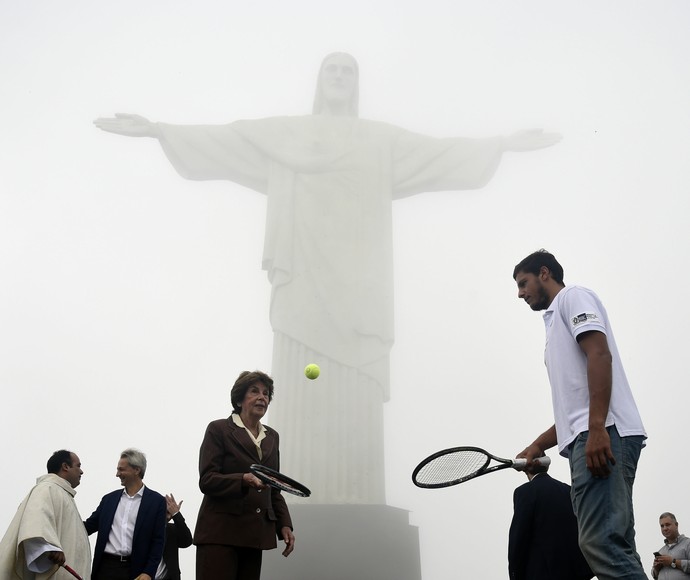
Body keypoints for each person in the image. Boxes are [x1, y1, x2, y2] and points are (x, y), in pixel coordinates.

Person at [94, 52, 561, 504]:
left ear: (356, 83)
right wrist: (159, 131)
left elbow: (437, 153)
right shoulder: (288, 134)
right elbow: (229, 141)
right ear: (320, 80)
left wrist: (499, 144)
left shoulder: (380, 140)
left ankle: (356, 493)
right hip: (303, 277)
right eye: (331, 69)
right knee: (297, 384)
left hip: (360, 286)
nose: (339, 76)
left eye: (348, 70)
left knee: (355, 387)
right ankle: (296, 502)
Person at [513, 249, 647, 580]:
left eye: (523, 283)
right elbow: (574, 407)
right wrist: (537, 444)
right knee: (614, 543)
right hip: (595, 432)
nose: (520, 293)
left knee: (599, 542)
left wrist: (598, 427)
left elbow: (599, 354)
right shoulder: (554, 325)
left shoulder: (573, 297)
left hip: (603, 433)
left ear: (545, 273)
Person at [194, 370, 294, 580]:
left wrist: (284, 524)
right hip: (220, 534)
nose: (262, 397)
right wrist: (242, 479)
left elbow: (274, 487)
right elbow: (207, 480)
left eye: (266, 393)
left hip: (254, 536)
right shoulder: (218, 429)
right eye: (254, 391)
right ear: (239, 399)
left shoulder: (272, 437)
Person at [0, 450, 91, 579]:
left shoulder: (63, 495)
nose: (81, 471)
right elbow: (35, 521)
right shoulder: (47, 488)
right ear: (65, 466)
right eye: (78, 466)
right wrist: (49, 547)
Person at [84, 448, 166, 580]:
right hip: (105, 569)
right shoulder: (108, 500)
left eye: (121, 469)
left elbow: (158, 542)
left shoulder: (157, 502)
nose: (117, 474)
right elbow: (87, 527)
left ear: (137, 470)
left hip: (135, 571)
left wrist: (149, 572)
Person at [508, 460, 592, 580]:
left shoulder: (525, 491)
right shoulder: (568, 490)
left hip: (542, 573)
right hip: (576, 573)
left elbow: (519, 536)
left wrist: (515, 574)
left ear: (526, 468)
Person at [154, 494, 192, 580]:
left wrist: (176, 514)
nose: (169, 516)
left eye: (170, 513)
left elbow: (187, 541)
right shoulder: (142, 529)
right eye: (166, 512)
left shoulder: (171, 530)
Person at [652, 512, 690, 579]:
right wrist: (656, 569)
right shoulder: (661, 551)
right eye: (662, 526)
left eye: (667, 525)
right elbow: (655, 575)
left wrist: (673, 562)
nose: (665, 528)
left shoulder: (687, 544)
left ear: (676, 525)